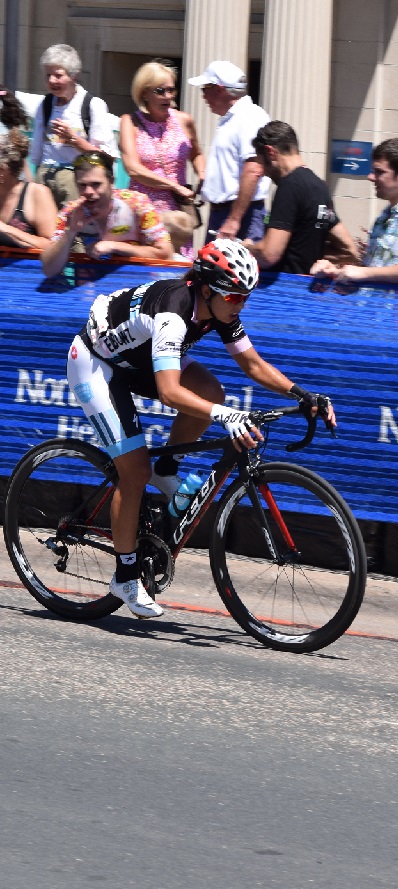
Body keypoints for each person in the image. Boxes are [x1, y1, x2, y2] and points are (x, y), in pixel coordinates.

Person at [65, 238, 337, 618]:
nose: (240, 305)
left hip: (135, 359)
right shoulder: (173, 313)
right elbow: (169, 391)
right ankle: (125, 577)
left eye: (244, 298)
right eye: (234, 298)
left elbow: (254, 366)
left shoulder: (218, 307)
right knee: (134, 470)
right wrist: (225, 416)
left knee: (212, 390)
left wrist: (303, 394)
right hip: (96, 364)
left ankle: (167, 472)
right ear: (208, 290)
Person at [310, 138, 398, 285]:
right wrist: (335, 272)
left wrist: (363, 273)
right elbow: (375, 273)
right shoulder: (387, 215)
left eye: (379, 172)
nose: (371, 177)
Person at [118, 60, 205, 260]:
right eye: (160, 91)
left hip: (177, 213)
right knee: (145, 268)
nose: (168, 96)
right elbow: (133, 169)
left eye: (171, 90)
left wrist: (202, 173)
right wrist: (174, 186)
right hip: (145, 211)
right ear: (144, 93)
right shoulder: (129, 122)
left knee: (179, 271)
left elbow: (197, 154)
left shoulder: (184, 120)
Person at [243, 121, 357, 274]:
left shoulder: (289, 187)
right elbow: (349, 250)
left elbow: (268, 255)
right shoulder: (320, 186)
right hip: (307, 291)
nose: (263, 172)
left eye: (262, 162)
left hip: (282, 289)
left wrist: (246, 248)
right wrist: (313, 261)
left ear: (270, 152)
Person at [41, 151, 173, 277]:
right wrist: (70, 232)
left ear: (111, 181)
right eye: (82, 185)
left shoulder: (137, 204)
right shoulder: (71, 213)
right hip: (91, 288)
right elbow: (49, 270)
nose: (88, 192)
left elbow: (166, 255)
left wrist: (115, 246)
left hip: (137, 283)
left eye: (96, 184)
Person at [188, 60, 270, 243]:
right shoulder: (235, 119)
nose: (203, 97)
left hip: (240, 215)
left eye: (205, 89)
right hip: (228, 213)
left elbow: (254, 169)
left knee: (230, 270)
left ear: (219, 89)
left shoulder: (250, 118)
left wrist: (234, 220)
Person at [28, 44, 118, 208]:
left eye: (58, 75)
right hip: (45, 177)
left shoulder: (92, 105)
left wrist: (74, 140)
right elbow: (36, 155)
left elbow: (107, 157)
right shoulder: (45, 104)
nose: (51, 81)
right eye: (48, 75)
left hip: (76, 179)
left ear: (74, 75)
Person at [0, 94, 57, 251]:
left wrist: (5, 229)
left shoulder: (37, 194)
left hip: (29, 273)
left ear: (2, 170)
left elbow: (52, 246)